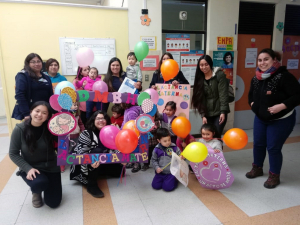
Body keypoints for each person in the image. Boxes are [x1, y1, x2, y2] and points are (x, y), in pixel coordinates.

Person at [246, 48, 300, 189]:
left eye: (266, 59)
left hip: (282, 119)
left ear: (274, 60)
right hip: (261, 118)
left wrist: (282, 106)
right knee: (258, 144)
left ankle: (274, 175)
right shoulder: (256, 78)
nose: (262, 63)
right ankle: (257, 168)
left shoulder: (284, 76)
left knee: (273, 148)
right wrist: (252, 105)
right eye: (260, 60)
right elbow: (251, 95)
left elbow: (297, 96)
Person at [9, 101, 62, 208]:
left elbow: (62, 145)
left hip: (51, 167)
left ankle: (48, 184)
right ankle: (36, 191)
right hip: (32, 167)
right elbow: (13, 153)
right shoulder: (19, 129)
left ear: (47, 116)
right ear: (31, 111)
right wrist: (27, 168)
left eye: (44, 113)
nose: (39, 115)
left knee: (53, 203)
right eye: (37, 111)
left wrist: (64, 132)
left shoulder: (50, 128)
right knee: (39, 183)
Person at [70, 111, 124, 198]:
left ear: (106, 121)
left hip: (101, 162)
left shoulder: (110, 132)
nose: (101, 120)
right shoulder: (87, 133)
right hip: (86, 164)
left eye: (103, 118)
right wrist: (89, 163)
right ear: (93, 120)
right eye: (98, 118)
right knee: (97, 152)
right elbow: (81, 153)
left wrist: (122, 159)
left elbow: (114, 148)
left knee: (120, 171)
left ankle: (99, 172)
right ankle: (91, 185)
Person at [191, 55, 230, 138]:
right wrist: (203, 115)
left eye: (206, 64)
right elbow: (199, 99)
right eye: (201, 65)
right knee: (208, 137)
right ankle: (209, 151)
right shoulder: (199, 78)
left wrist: (223, 112)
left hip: (219, 112)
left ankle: (218, 151)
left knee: (216, 136)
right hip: (207, 113)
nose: (204, 67)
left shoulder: (219, 75)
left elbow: (223, 95)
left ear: (210, 64)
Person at [12, 53, 53, 121]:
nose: (36, 64)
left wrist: (52, 111)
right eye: (33, 62)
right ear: (28, 63)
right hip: (30, 112)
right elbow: (20, 95)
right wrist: (26, 114)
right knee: (31, 131)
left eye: (38, 61)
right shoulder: (22, 75)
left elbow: (50, 94)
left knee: (45, 131)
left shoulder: (46, 76)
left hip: (44, 112)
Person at [59, 102, 85, 173]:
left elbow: (80, 123)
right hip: (66, 137)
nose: (76, 106)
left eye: (77, 105)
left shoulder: (77, 115)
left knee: (75, 149)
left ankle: (73, 162)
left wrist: (83, 130)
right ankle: (62, 165)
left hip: (76, 135)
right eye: (74, 105)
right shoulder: (64, 115)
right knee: (64, 150)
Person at [121, 103, 142, 172]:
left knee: (135, 149)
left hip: (132, 134)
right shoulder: (127, 109)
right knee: (131, 149)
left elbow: (133, 125)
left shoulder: (131, 112)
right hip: (128, 133)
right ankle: (132, 162)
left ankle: (136, 164)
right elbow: (125, 122)